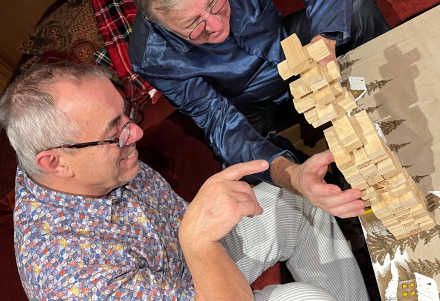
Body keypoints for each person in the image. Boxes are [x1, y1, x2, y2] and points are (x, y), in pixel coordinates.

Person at [1, 62, 369, 300]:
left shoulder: (77, 161)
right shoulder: (76, 278)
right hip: (192, 276)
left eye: (126, 116)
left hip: (189, 257)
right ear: (54, 163)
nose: (136, 134)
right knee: (304, 299)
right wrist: (197, 241)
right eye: (114, 133)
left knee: (294, 200)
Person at [126, 0, 391, 218]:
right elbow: (220, 123)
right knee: (252, 170)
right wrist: (293, 177)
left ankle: (390, 112)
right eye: (193, 24)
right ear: (155, 21)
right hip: (245, 103)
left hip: (290, 49)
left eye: (215, 0)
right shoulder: (151, 56)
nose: (216, 25)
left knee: (360, 12)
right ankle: (334, 198)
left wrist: (324, 39)